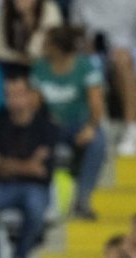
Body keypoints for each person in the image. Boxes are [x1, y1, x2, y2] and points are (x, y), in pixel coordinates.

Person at [0, 74, 57, 258]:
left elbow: (42, 171)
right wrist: (28, 165)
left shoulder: (45, 127)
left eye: (19, 94)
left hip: (35, 188)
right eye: (9, 95)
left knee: (35, 206)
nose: (14, 100)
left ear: (32, 96)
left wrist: (4, 164)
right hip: (2, 186)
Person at [31, 26, 106, 218]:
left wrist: (90, 128)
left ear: (58, 48)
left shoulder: (84, 67)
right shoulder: (40, 67)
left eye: (47, 44)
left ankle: (83, 198)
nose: (43, 47)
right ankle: (47, 201)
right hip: (51, 125)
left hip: (77, 124)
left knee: (97, 142)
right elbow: (34, 104)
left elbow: (96, 104)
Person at [70, 0, 136, 156]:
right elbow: (74, 37)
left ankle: (130, 128)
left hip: (130, 57)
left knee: (121, 57)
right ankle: (98, 128)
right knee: (86, 62)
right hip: (94, 56)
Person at [0, 0, 63, 74]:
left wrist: (29, 57)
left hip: (43, 64)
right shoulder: (7, 10)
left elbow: (54, 47)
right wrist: (19, 58)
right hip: (12, 64)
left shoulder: (49, 9)